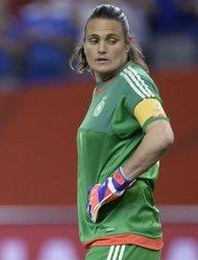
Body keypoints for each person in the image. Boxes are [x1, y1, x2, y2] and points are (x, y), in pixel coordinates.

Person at [69, 5, 175, 260]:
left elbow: (162, 134)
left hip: (123, 234)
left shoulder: (131, 80)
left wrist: (116, 182)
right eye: (94, 40)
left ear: (127, 45)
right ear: (84, 46)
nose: (102, 48)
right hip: (110, 237)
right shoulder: (105, 90)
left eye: (112, 40)